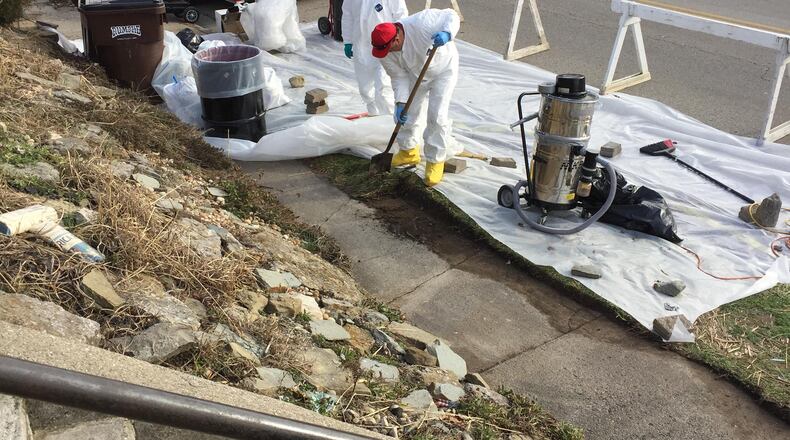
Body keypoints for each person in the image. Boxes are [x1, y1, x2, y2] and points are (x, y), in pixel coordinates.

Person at [370, 8, 460, 186]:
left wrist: (447, 33)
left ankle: (435, 160)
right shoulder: (385, 52)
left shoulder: (422, 23)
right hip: (414, 73)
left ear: (396, 39)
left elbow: (451, 14)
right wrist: (400, 102)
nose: (387, 53)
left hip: (443, 70)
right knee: (408, 114)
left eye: (389, 48)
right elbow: (398, 77)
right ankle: (409, 151)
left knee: (436, 116)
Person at [341, 0, 409, 116]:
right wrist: (348, 40)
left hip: (386, 46)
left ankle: (388, 117)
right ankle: (373, 112)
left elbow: (401, 16)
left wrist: (398, 39)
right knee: (364, 85)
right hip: (361, 45)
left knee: (384, 84)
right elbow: (347, 16)